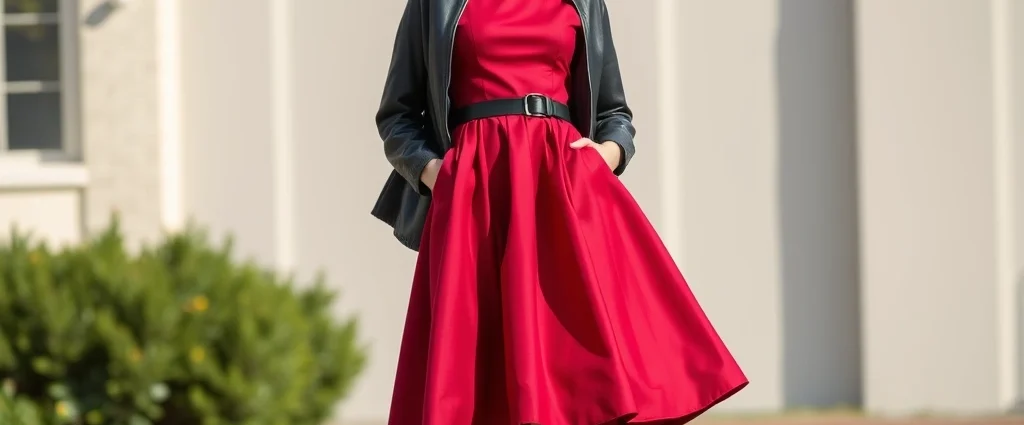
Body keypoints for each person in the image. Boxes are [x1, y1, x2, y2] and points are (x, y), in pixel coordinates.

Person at [371, 0, 748, 423]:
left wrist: (603, 159)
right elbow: (397, 116)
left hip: (561, 195)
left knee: (577, 365)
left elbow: (614, 114)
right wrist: (438, 175)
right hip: (477, 201)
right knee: (475, 370)